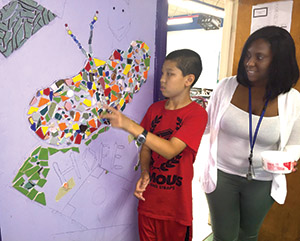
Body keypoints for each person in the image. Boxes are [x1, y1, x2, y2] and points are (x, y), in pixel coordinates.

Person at [200, 26, 300, 241]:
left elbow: (294, 143)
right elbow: (205, 125)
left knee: (248, 235)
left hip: (262, 180)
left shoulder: (292, 100)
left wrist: (289, 159)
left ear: (279, 62)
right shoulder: (225, 87)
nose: (249, 62)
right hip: (222, 174)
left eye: (259, 57)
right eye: (248, 55)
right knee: (224, 237)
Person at [101, 49, 208, 241]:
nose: (162, 80)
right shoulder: (155, 109)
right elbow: (146, 147)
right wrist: (145, 172)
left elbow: (170, 150)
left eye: (170, 74)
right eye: (162, 74)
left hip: (176, 211)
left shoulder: (197, 114)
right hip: (148, 205)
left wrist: (128, 124)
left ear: (188, 79)